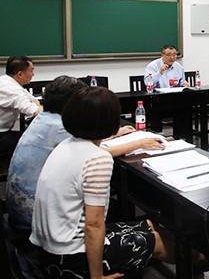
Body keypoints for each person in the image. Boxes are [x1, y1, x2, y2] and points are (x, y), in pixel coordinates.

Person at [30, 87, 174, 278]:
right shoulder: (98, 159)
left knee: (149, 224)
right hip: (70, 256)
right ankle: (202, 260)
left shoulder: (66, 144)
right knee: (156, 240)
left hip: (47, 247)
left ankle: (198, 258)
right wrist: (97, 277)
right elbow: (94, 225)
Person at [6, 76, 165, 239]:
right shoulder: (60, 127)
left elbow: (84, 138)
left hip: (24, 209)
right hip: (37, 221)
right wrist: (140, 143)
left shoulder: (45, 118)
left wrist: (114, 133)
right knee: (113, 208)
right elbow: (98, 152)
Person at [144, 44, 193, 140]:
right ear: (162, 55)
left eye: (174, 55)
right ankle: (158, 139)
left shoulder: (178, 67)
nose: (172, 58)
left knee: (185, 108)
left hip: (174, 100)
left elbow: (182, 81)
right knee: (156, 112)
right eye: (169, 55)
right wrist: (159, 72)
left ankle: (181, 138)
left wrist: (185, 84)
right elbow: (148, 83)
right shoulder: (153, 66)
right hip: (158, 101)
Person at [0, 56, 42, 154]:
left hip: (4, 132)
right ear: (20, 74)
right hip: (1, 134)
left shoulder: (7, 81)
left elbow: (34, 101)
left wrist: (37, 106)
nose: (33, 74)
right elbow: (35, 111)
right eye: (31, 71)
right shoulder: (12, 90)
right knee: (34, 143)